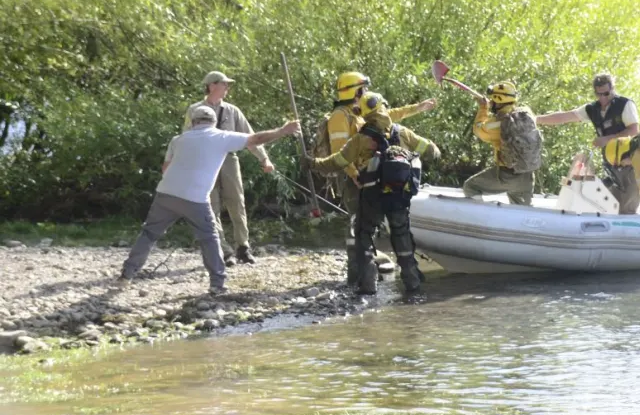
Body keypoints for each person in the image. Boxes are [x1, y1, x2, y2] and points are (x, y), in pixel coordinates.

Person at [119, 106, 300, 294]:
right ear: (213, 122)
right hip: (195, 199)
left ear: (193, 122)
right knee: (209, 238)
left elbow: (165, 168)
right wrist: (282, 131)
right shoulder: (221, 137)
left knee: (149, 234)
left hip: (165, 193)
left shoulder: (178, 140)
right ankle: (217, 284)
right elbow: (256, 139)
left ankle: (126, 275)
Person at [307, 92, 440, 294]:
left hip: (371, 197)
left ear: (363, 113)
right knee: (401, 236)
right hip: (398, 198)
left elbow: (337, 162)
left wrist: (312, 164)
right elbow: (432, 152)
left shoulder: (361, 139)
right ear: (385, 108)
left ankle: (368, 286)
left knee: (364, 236)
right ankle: (412, 284)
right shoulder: (403, 132)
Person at [183, 70, 271, 266]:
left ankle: (243, 248)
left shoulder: (232, 111)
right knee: (211, 206)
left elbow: (250, 137)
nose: (227, 88)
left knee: (237, 203)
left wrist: (264, 159)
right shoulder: (194, 110)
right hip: (204, 162)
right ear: (212, 85)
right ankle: (223, 251)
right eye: (224, 84)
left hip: (229, 159)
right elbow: (187, 138)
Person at [535, 73, 640, 213]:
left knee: (627, 205)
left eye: (606, 94)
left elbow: (634, 130)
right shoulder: (592, 109)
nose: (602, 98)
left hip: (628, 161)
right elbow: (566, 116)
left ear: (613, 89)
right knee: (612, 204)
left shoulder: (625, 104)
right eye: (598, 94)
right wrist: (536, 120)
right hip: (610, 163)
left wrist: (607, 139)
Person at [462, 80, 542, 206]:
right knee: (521, 212)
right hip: (527, 176)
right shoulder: (527, 114)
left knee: (470, 186)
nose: (491, 102)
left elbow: (478, 130)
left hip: (507, 175)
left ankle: (481, 217)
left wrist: (483, 108)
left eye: (493, 100)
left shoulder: (495, 125)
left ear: (497, 101)